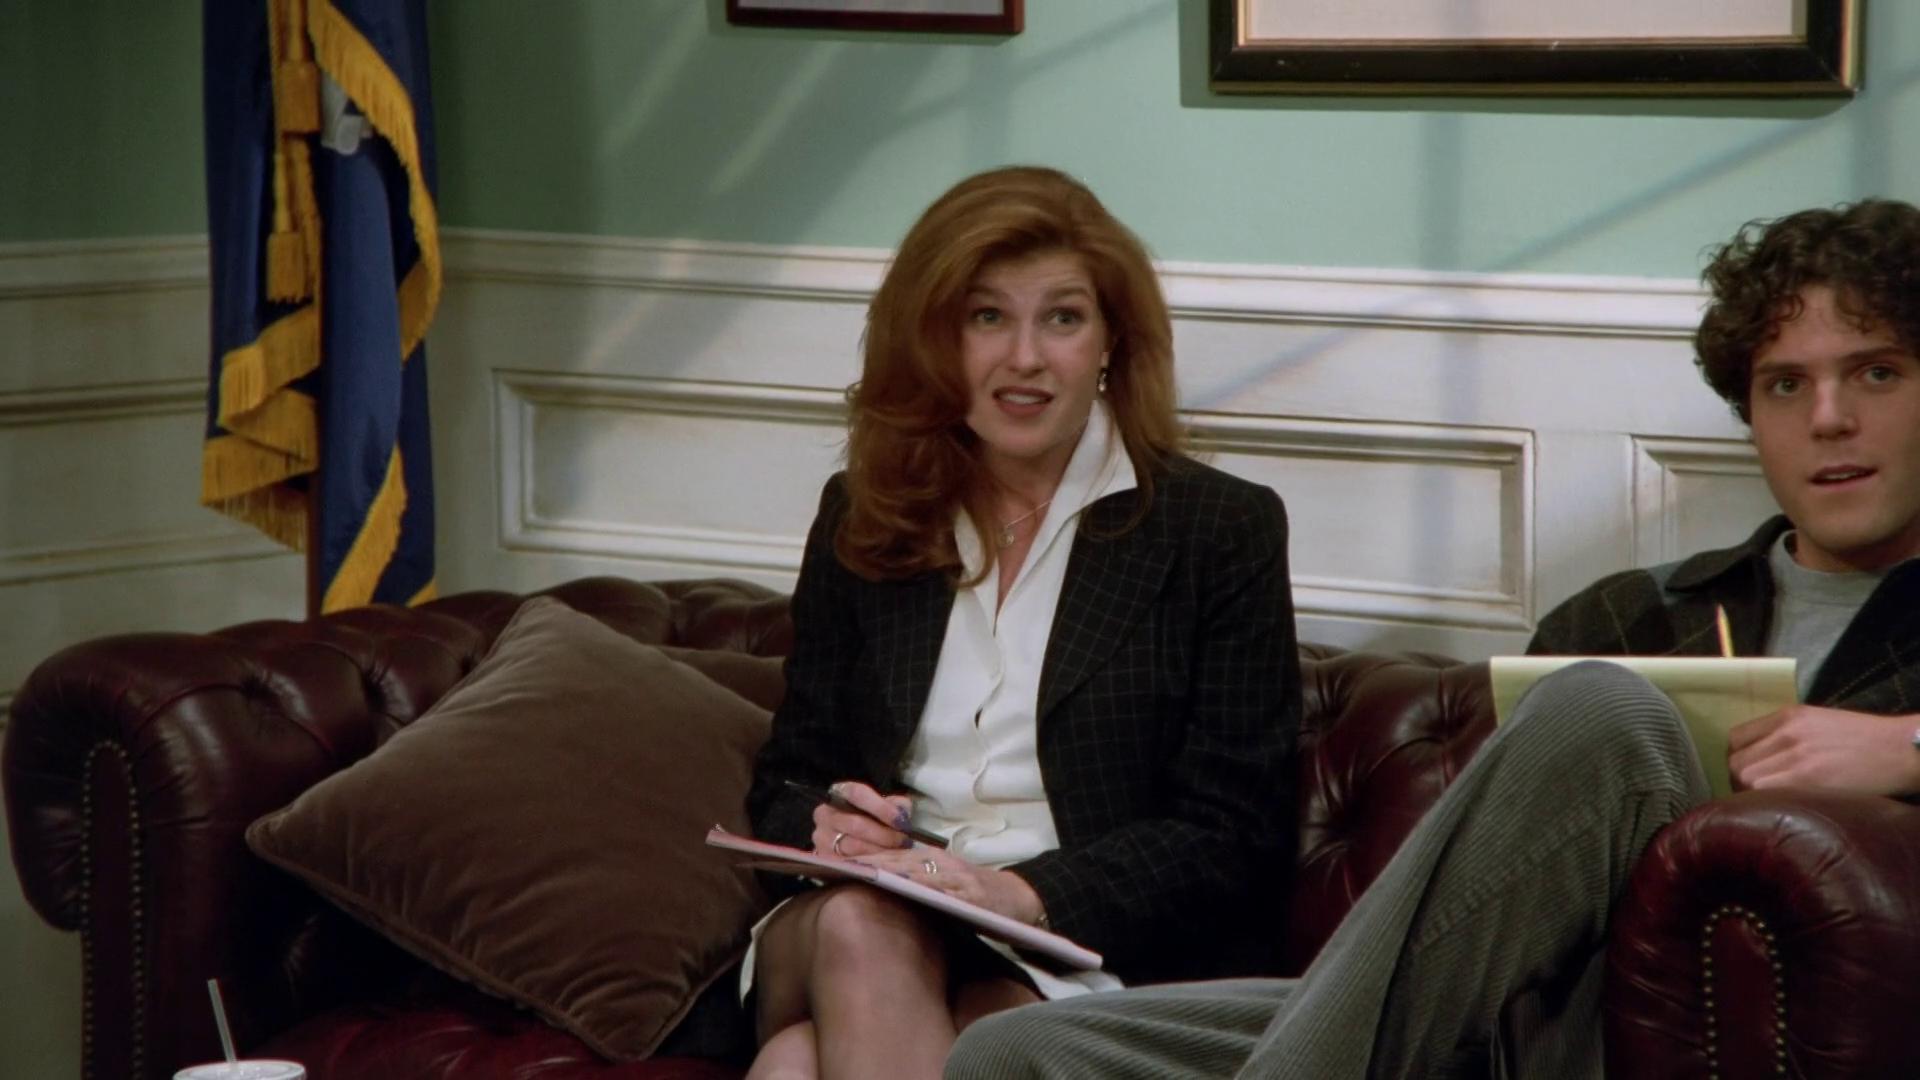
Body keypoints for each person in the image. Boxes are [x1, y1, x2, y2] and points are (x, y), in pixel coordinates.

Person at [943, 198, 1920, 1080]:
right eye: (1785, 385)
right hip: (1488, 1026)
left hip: (1648, 1043)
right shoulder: (1630, 613)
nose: (1829, 419)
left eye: (1876, 373)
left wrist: (1906, 745)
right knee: (1017, 1049)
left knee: (1603, 705)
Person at [741, 165, 1301, 1080]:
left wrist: (1020, 892)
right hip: (862, 918)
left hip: (1072, 939)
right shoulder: (865, 511)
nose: (1025, 358)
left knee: (800, 1066)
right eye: (987, 317)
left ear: (1112, 340)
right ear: (935, 340)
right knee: (861, 924)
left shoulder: (1216, 531)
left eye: (1063, 318)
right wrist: (834, 826)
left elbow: (1234, 831)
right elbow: (790, 773)